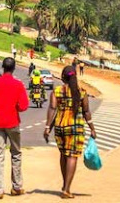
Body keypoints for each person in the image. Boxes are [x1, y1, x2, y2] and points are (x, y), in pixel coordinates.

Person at [44, 66, 96, 199]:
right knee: (72, 156)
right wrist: (92, 128)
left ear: (62, 77)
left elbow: (52, 108)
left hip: (60, 127)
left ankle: (64, 185)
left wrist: (47, 127)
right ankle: (66, 189)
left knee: (63, 155)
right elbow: (86, 112)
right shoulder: (81, 92)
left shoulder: (56, 91)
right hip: (75, 128)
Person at [0, 58, 29, 199]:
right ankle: (16, 186)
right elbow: (23, 106)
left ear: (3, 67)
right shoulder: (18, 85)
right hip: (13, 123)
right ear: (14, 68)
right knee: (16, 153)